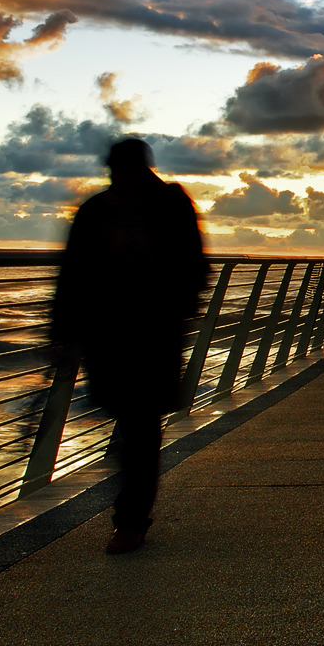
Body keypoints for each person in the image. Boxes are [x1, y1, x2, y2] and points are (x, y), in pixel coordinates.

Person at [48, 138, 208, 554]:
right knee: (128, 418)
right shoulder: (97, 210)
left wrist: (171, 309)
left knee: (139, 422)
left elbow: (193, 267)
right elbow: (72, 277)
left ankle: (131, 521)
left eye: (120, 170)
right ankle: (131, 511)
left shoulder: (167, 205)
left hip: (151, 333)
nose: (114, 178)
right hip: (106, 334)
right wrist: (63, 334)